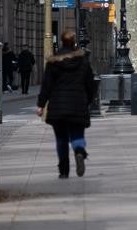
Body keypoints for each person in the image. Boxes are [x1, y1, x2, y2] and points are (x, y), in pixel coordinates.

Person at [36, 31, 96, 179]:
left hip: (58, 106)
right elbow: (90, 83)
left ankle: (63, 170)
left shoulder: (53, 61)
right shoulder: (82, 60)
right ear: (74, 42)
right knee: (77, 134)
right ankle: (79, 151)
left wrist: (41, 105)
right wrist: (88, 100)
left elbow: (47, 85)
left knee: (61, 139)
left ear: (61, 42)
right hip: (77, 104)